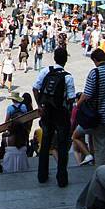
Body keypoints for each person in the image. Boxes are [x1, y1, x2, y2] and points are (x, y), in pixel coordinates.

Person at [33, 47, 76, 187]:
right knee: (62, 145)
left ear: (54, 58)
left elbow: (35, 88)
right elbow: (71, 98)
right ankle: (62, 178)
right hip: (61, 112)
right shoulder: (68, 76)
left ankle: (42, 175)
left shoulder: (46, 71)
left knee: (46, 142)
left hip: (47, 111)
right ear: (66, 60)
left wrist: (40, 105)